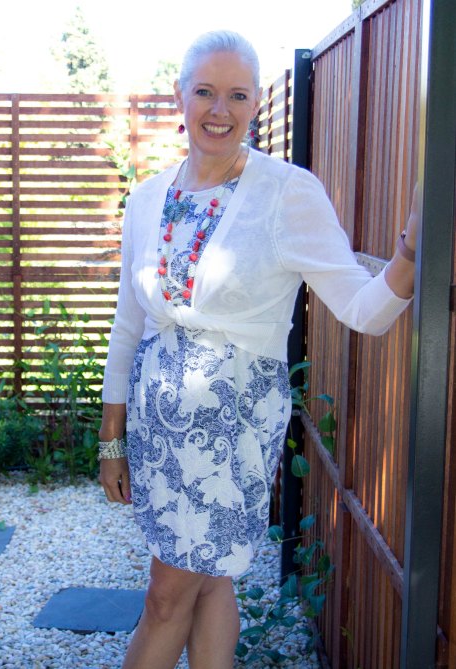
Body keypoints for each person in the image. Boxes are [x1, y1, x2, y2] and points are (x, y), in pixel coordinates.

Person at [97, 29, 418, 669]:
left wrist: (411, 250)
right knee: (210, 579)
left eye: (237, 96)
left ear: (254, 105)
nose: (220, 110)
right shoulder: (146, 199)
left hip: (231, 430)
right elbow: (128, 322)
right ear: (179, 97)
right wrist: (113, 437)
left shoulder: (287, 192)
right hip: (159, 432)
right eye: (206, 93)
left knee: (166, 597)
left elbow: (364, 310)